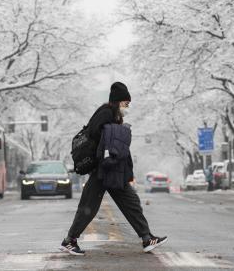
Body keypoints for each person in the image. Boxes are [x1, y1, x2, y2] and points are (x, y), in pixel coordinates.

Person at [60, 82, 167, 256]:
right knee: (89, 206)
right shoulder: (106, 113)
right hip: (103, 169)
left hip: (112, 169)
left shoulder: (113, 115)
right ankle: (69, 241)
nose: (127, 106)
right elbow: (96, 136)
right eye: (126, 102)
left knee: (129, 202)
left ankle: (147, 238)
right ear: (117, 101)